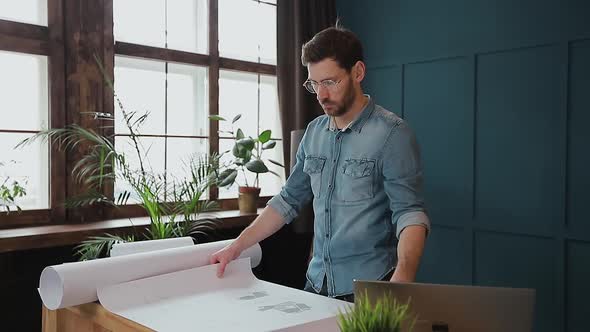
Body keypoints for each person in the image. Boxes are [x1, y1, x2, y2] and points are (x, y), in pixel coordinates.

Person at [210, 25, 430, 303]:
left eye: (330, 82)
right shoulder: (313, 133)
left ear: (358, 72)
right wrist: (237, 247)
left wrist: (403, 279)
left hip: (370, 288)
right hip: (315, 283)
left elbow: (410, 214)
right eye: (314, 83)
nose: (320, 95)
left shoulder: (392, 134)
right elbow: (287, 200)